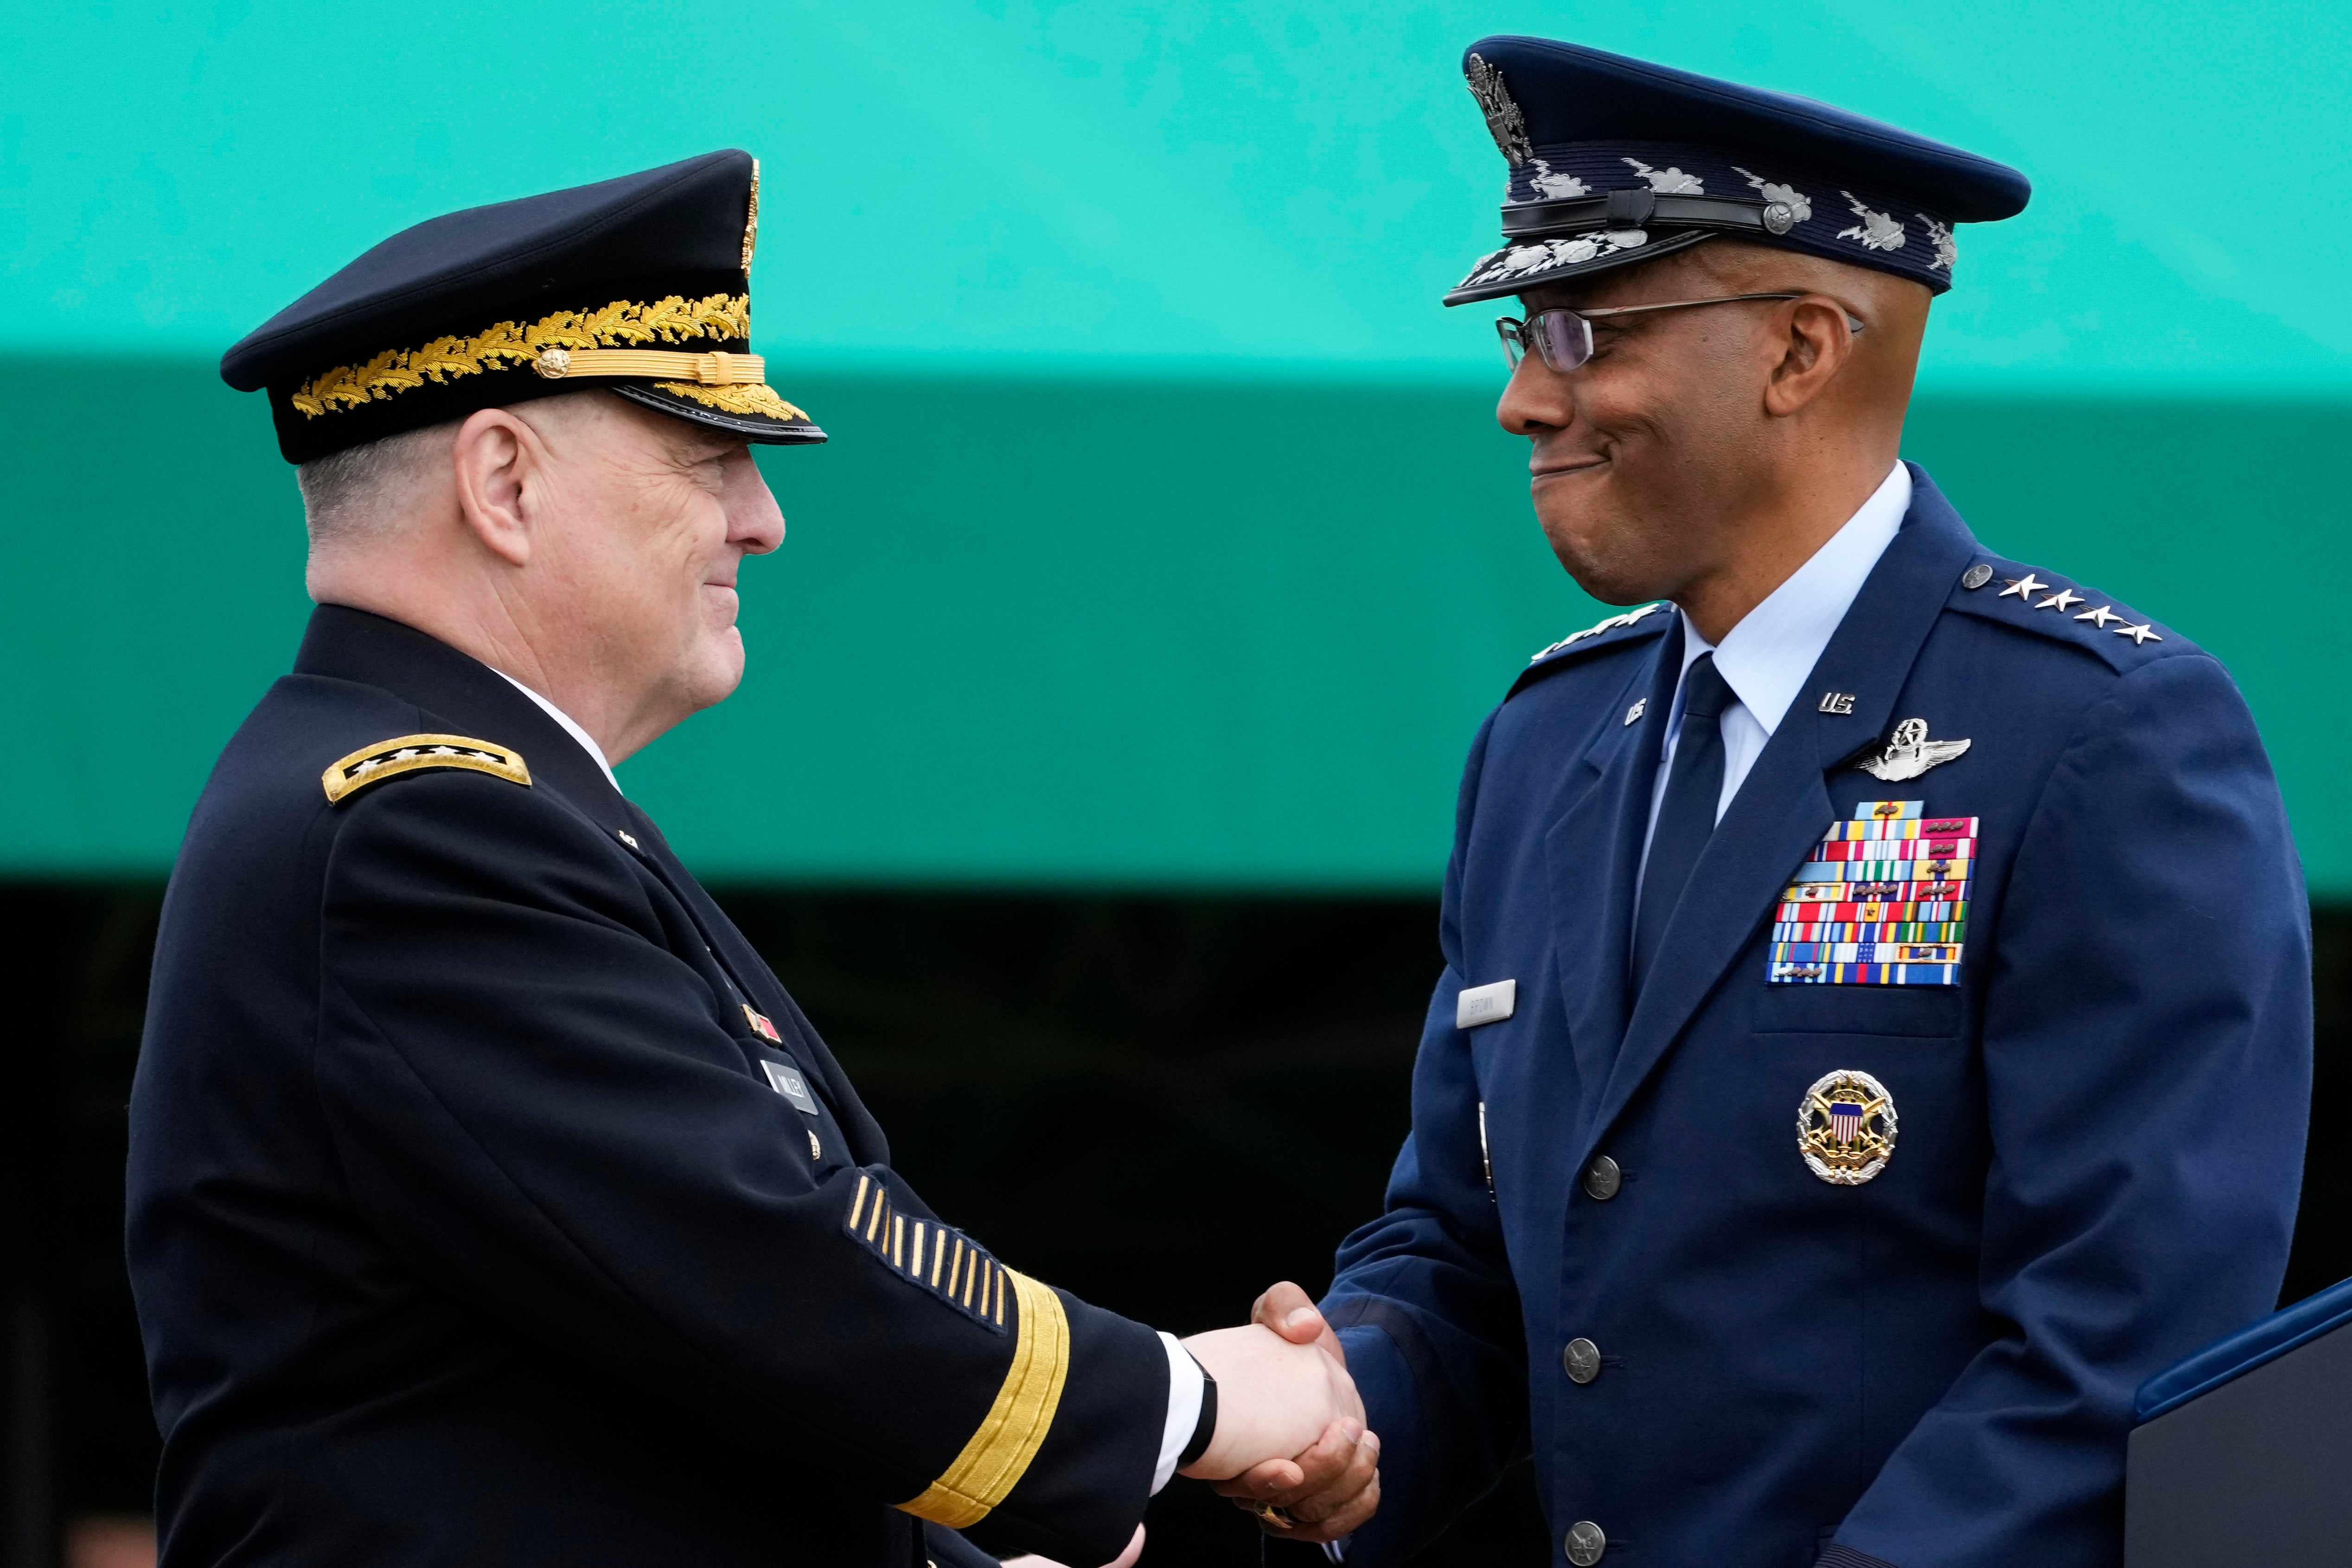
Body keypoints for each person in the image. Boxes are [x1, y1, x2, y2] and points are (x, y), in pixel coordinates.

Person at [126, 150, 1375, 1568]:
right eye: (702, 452)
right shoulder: (421, 827)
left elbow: (637, 1369)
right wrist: (1193, 1399)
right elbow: (762, 1263)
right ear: (503, 479)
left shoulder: (459, 807)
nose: (761, 519)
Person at [1238, 36, 2313, 1568]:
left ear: (1801, 350)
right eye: (1522, 339)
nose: (1526, 404)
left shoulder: (2097, 733)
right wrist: (1336, 1411)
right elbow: (1470, 1256)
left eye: (1581, 330)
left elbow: (2122, 1338)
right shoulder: (1549, 742)